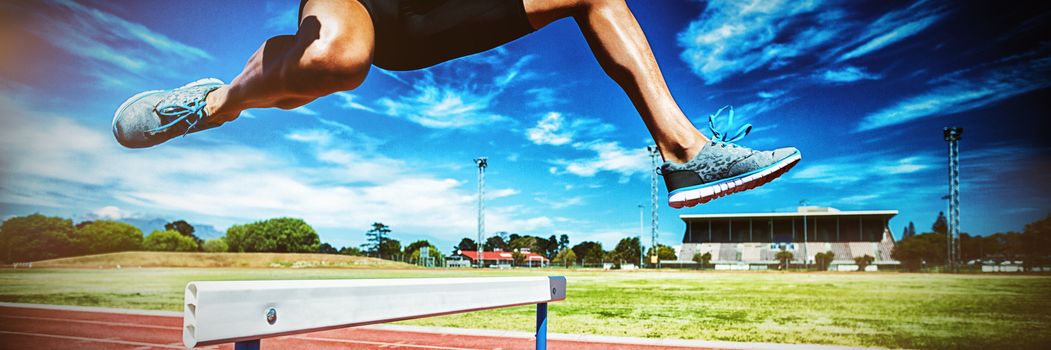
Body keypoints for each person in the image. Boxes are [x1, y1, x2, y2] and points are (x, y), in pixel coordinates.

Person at [112, 0, 800, 208]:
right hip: (360, 5)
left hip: (435, 12)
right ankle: (215, 103)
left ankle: (683, 152)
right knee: (334, 59)